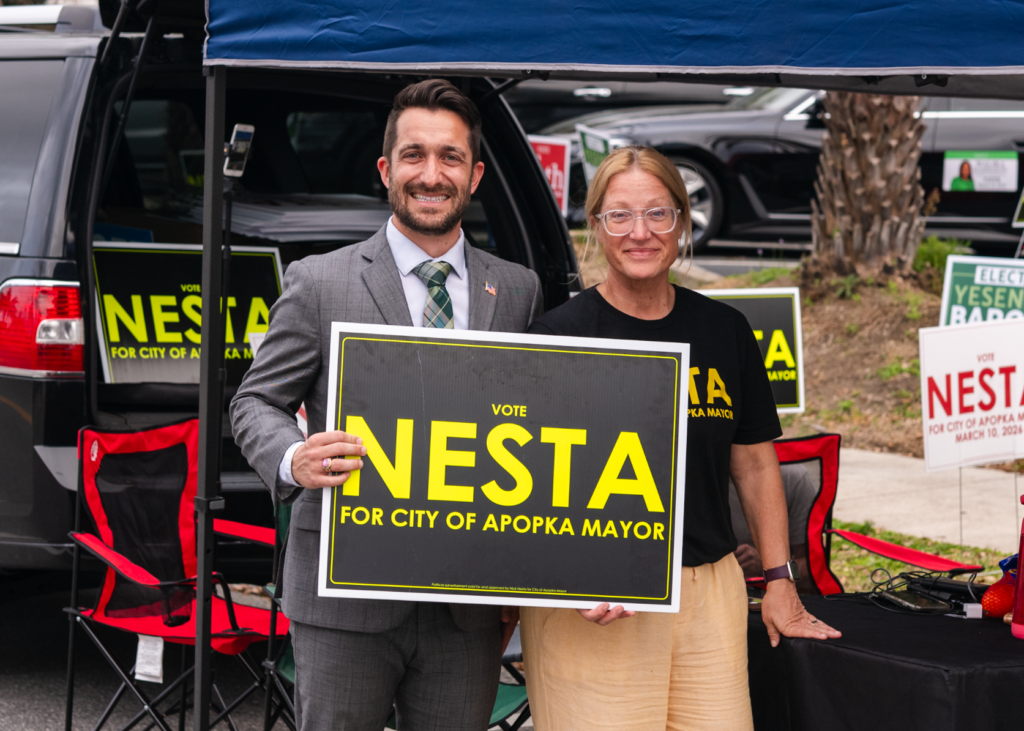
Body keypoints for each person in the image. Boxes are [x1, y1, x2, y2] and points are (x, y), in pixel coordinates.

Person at [230, 79, 542, 731]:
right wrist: (292, 456)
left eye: (450, 157)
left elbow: (535, 427)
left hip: (467, 602)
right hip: (345, 592)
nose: (431, 174)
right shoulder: (320, 280)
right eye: (413, 155)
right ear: (385, 168)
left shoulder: (517, 290)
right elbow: (256, 401)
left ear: (475, 175)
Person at [520, 147, 840, 731]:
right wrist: (568, 578)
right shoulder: (557, 336)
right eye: (620, 215)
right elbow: (527, 484)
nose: (640, 232)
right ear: (596, 226)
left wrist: (779, 580)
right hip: (597, 599)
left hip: (708, 593)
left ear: (682, 222)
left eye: (658, 213)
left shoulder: (725, 331)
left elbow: (755, 465)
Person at [729, 464, 817, 594]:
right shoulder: (696, 479)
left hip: (767, 594)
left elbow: (812, 568)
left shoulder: (791, 476)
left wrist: (767, 566)